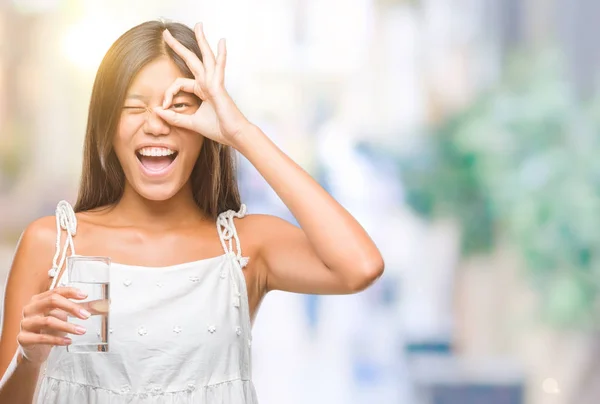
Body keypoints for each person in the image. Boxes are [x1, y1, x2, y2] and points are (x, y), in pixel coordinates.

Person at [0, 20, 384, 403]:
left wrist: (241, 133)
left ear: (206, 127)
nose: (155, 125)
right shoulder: (54, 244)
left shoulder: (244, 248)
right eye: (134, 107)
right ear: (106, 125)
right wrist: (29, 360)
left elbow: (360, 266)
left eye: (179, 107)